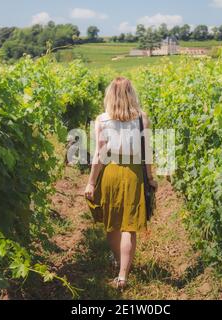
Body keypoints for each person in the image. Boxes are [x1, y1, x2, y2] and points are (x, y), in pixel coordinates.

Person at [85, 77, 158, 290]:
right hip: (133, 174)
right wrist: (151, 178)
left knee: (113, 223)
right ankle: (123, 275)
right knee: (130, 226)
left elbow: (99, 154)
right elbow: (146, 154)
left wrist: (91, 182)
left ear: (110, 96)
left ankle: (118, 261)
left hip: (110, 172)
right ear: (131, 94)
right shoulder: (141, 118)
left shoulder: (102, 120)